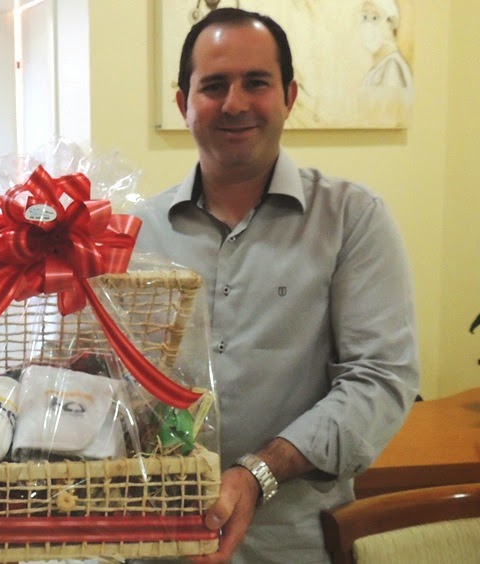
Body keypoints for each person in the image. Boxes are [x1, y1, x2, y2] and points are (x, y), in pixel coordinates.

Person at [132, 8, 419, 563]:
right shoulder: (135, 234)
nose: (235, 103)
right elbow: (99, 381)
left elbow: (380, 379)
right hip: (154, 544)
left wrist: (257, 473)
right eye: (214, 85)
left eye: (256, 82)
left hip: (296, 545)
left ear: (288, 96)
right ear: (183, 103)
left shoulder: (352, 219)